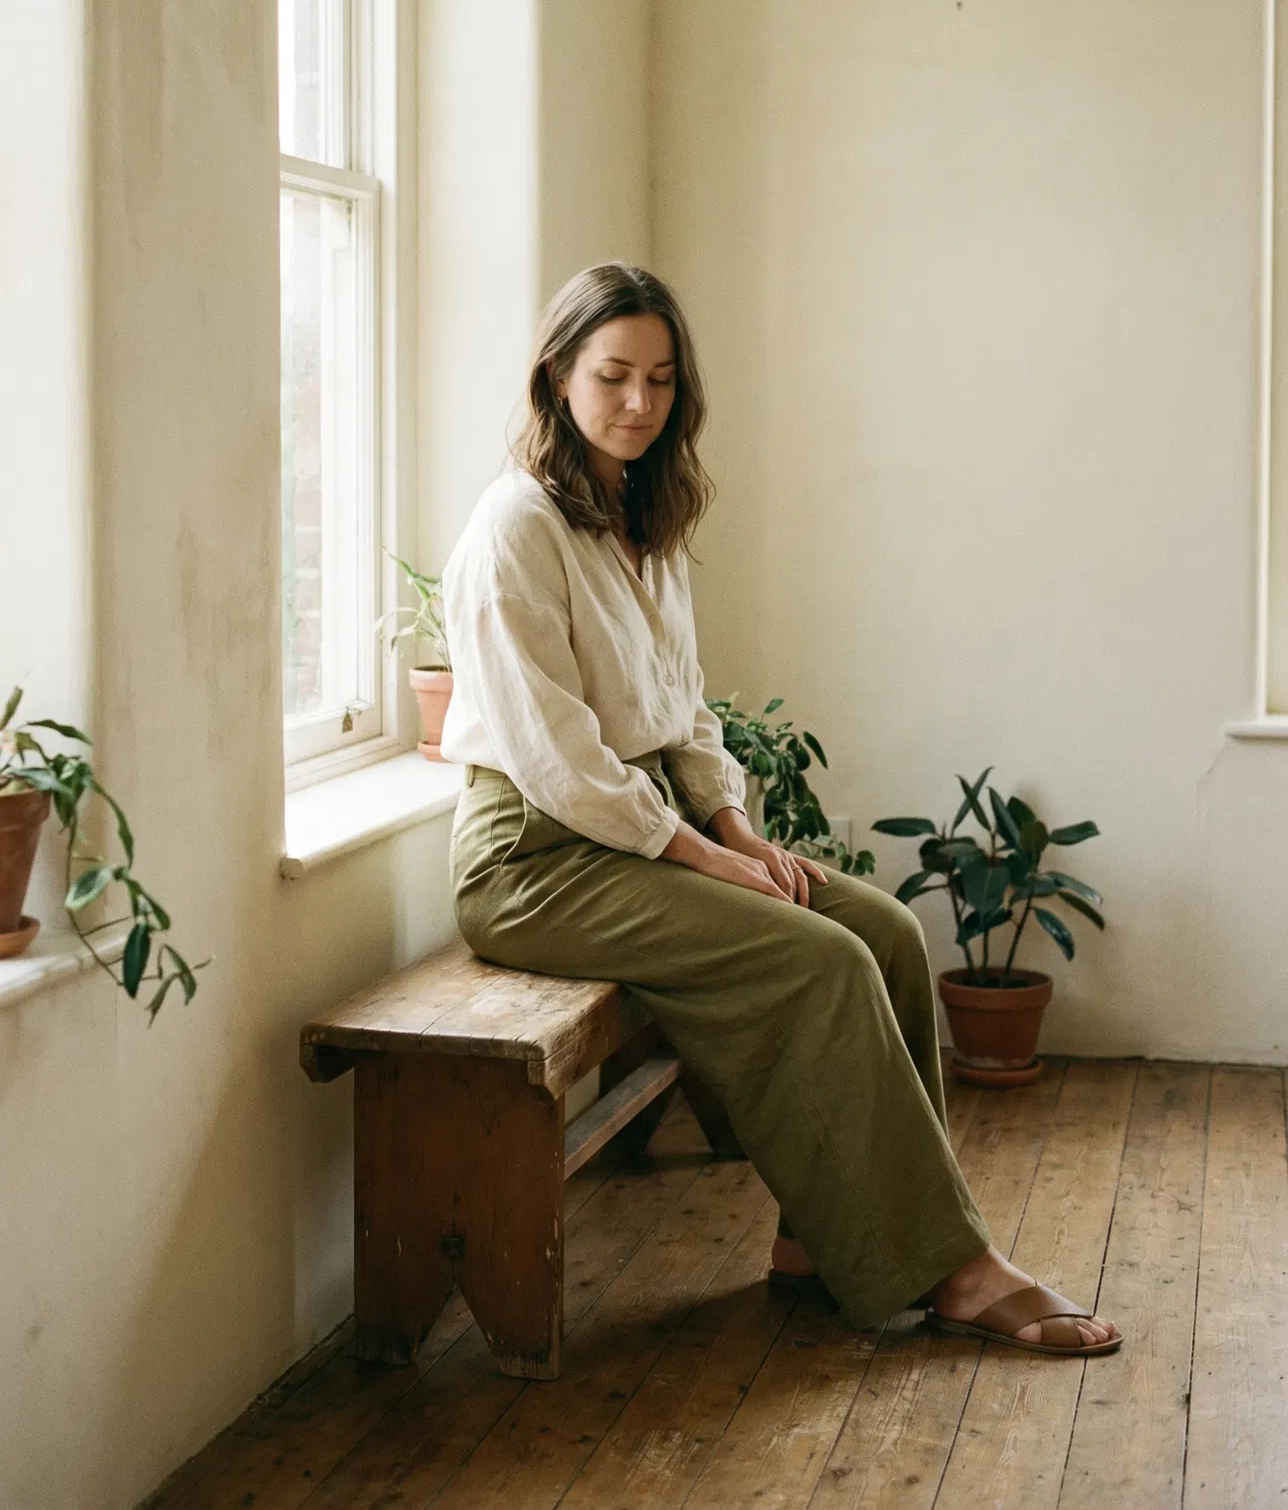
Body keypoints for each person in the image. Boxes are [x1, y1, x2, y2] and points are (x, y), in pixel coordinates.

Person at [439, 262, 1121, 1357]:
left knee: (884, 932)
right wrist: (707, 864)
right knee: (819, 958)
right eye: (612, 376)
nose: (638, 404)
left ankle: (816, 1241)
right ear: (555, 375)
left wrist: (736, 827)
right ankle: (950, 1268)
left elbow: (682, 708)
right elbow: (559, 764)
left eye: (660, 380)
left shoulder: (639, 509)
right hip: (536, 859)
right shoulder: (513, 528)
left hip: (642, 826)